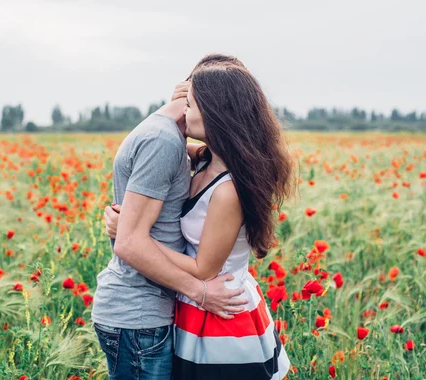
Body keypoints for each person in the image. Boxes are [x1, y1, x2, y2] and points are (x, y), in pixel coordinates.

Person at [105, 60, 294, 379]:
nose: (182, 111)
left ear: (216, 114)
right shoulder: (205, 157)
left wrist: (133, 234)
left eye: (190, 105)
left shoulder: (227, 191)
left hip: (219, 308)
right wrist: (178, 100)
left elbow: (203, 269)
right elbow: (158, 142)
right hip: (200, 302)